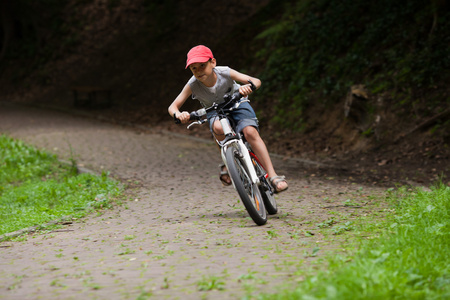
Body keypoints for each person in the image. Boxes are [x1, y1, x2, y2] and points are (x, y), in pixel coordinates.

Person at [168, 45, 288, 193]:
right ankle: (229, 160)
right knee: (218, 128)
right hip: (214, 111)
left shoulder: (224, 72)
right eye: (194, 68)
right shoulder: (193, 84)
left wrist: (247, 87)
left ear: (213, 62)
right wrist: (179, 114)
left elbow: (256, 81)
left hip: (237, 103)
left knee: (250, 132)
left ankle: (273, 176)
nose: (198, 71)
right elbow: (173, 107)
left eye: (202, 65)